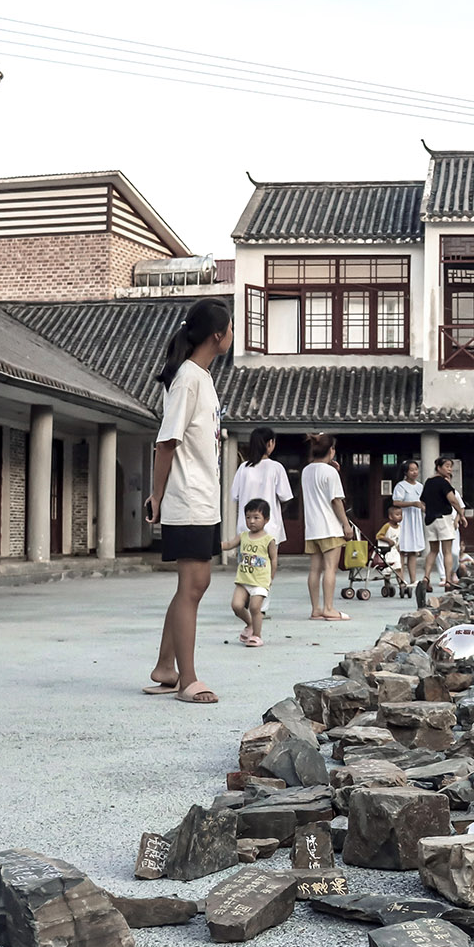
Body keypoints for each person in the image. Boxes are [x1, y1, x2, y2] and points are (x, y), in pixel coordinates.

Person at [144, 296, 233, 704]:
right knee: (193, 584)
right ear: (217, 335)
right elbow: (166, 443)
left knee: (193, 585)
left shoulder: (202, 379)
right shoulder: (188, 378)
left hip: (202, 497)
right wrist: (157, 496)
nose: (232, 336)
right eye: (230, 330)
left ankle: (166, 665)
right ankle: (188, 678)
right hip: (187, 497)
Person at [230, 427, 291, 616]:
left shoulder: (243, 468)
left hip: (245, 527)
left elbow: (236, 496)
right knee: (266, 567)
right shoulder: (276, 467)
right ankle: (261, 607)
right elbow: (285, 497)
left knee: (247, 565)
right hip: (269, 529)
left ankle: (244, 602)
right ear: (270, 444)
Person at [301, 432, 354, 620]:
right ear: (331, 450)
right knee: (330, 568)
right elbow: (336, 501)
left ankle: (315, 609)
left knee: (314, 569)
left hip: (312, 528)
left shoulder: (306, 470)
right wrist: (346, 526)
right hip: (330, 527)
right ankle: (329, 608)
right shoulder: (330, 472)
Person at [221, 498, 276, 647]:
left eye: (256, 518)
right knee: (237, 606)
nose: (251, 521)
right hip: (243, 580)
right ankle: (250, 624)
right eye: (248, 517)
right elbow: (228, 545)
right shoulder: (243, 536)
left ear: (266, 519)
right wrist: (213, 545)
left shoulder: (268, 540)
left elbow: (273, 559)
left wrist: (270, 578)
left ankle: (257, 636)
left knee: (254, 607)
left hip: (260, 581)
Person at [419, 457, 468, 600]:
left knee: (433, 550)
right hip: (444, 519)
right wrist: (461, 514)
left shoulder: (428, 482)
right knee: (447, 551)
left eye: (450, 467)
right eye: (447, 466)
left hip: (429, 520)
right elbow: (453, 500)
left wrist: (429, 511)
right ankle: (448, 580)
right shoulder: (443, 483)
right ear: (439, 467)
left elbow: (422, 501)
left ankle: (426, 578)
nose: (449, 469)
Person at [390, 459, 426, 589]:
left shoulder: (420, 486)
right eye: (411, 470)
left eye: (416, 470)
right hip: (404, 519)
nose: (414, 472)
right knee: (402, 550)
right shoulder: (401, 485)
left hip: (415, 520)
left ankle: (413, 579)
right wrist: (412, 504)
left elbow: (423, 502)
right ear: (406, 472)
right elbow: (396, 502)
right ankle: (401, 580)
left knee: (413, 551)